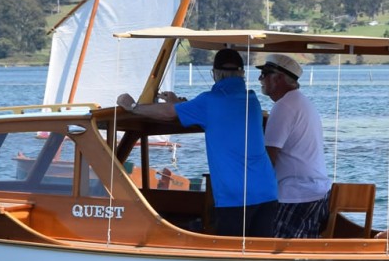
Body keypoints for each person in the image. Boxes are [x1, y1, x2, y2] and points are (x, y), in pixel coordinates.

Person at [116, 48, 278, 237]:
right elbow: (219, 110)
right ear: (242, 73)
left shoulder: (208, 102)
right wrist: (180, 104)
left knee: (231, 258)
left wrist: (133, 107)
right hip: (267, 191)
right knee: (259, 255)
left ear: (215, 74)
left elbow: (169, 113)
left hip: (235, 197)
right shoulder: (252, 99)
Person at [257, 53, 331, 238]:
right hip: (318, 192)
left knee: (272, 246)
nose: (260, 78)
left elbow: (269, 156)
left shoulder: (284, 107)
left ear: (279, 78)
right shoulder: (302, 103)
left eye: (265, 73)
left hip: (296, 195)